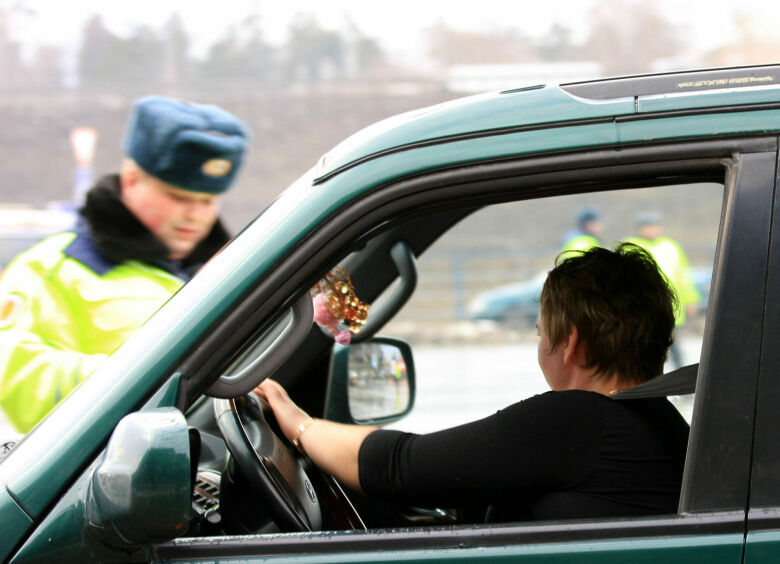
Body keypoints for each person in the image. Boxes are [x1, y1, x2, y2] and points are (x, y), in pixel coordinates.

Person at [256, 244, 690, 523]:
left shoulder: (580, 420)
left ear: (571, 342)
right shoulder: (662, 423)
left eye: (542, 333)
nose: (540, 346)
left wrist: (297, 424)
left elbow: (399, 467)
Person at [0, 95, 250, 433]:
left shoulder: (228, 271)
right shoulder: (51, 269)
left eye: (207, 200)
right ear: (131, 179)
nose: (195, 215)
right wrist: (146, 380)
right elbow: (16, 381)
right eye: (178, 197)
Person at [625, 211, 701, 368]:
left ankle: (680, 376)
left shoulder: (671, 247)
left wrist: (691, 300)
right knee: (643, 345)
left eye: (656, 226)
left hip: (672, 307)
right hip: (643, 308)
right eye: (649, 227)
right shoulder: (630, 246)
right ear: (640, 229)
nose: (653, 230)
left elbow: (683, 276)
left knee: (673, 344)